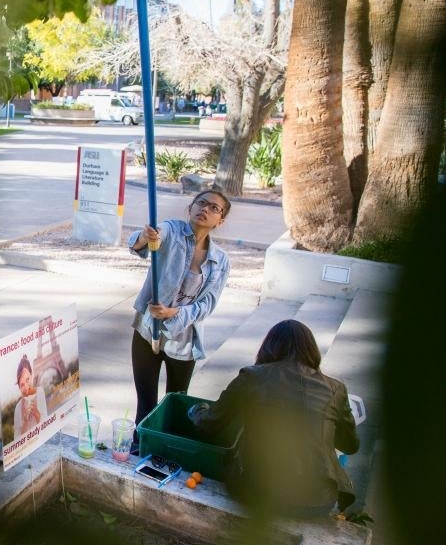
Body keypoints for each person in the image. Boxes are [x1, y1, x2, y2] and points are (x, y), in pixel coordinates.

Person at [187, 320, 360, 516]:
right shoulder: (335, 389)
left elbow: (211, 423)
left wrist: (196, 410)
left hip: (255, 492)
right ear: (311, 351)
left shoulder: (252, 376)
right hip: (318, 501)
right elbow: (350, 445)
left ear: (268, 347)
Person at [128, 189, 232, 450]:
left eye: (214, 208)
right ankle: (139, 448)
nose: (205, 209)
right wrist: (145, 236)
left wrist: (175, 313)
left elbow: (207, 304)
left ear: (220, 220)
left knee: (174, 404)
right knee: (146, 403)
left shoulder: (220, 261)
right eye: (201, 203)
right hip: (147, 332)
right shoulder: (172, 231)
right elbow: (146, 240)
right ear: (190, 207)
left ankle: (168, 450)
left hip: (183, 341)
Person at [13, 355, 48, 438]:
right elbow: (16, 440)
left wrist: (37, 415)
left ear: (31, 375)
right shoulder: (18, 408)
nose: (27, 387)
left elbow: (47, 426)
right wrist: (25, 422)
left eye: (28, 379)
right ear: (19, 386)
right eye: (22, 384)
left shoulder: (40, 392)